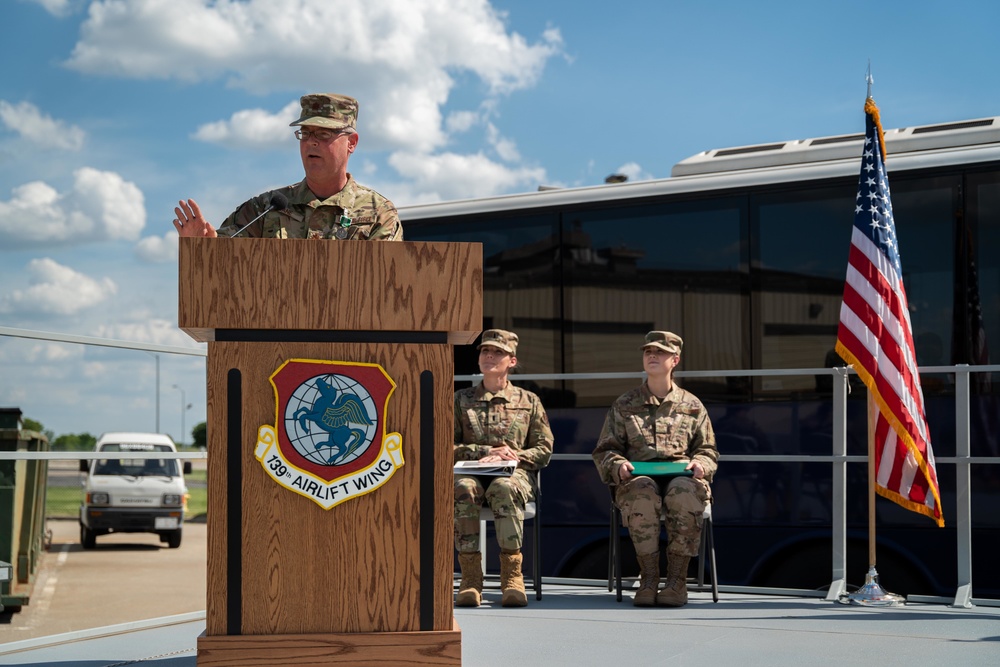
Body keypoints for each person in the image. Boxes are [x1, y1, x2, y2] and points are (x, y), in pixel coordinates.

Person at [592, 331, 718, 607]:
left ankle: (676, 581)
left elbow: (708, 450)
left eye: (660, 352)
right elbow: (605, 449)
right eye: (648, 351)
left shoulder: (692, 406)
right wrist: (618, 465)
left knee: (684, 492)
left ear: (675, 360)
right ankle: (649, 578)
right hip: (638, 478)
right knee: (642, 492)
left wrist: (701, 464)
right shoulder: (625, 404)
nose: (652, 355)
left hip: (682, 477)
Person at [172, 93, 402, 241]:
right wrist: (203, 247)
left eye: (324, 134)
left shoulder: (377, 214)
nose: (312, 141)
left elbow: (382, 284)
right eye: (306, 133)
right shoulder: (264, 209)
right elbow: (223, 266)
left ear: (351, 143)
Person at [453, 329, 554, 608]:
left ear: (512, 360)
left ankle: (512, 577)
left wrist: (514, 457)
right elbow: (443, 445)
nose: (489, 356)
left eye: (497, 352)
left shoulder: (528, 401)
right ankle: (471, 580)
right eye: (485, 351)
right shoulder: (461, 400)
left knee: (503, 487)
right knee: (463, 488)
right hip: (471, 473)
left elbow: (544, 449)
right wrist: (484, 452)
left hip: (514, 475)